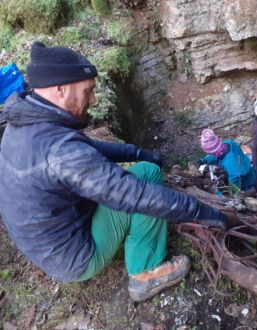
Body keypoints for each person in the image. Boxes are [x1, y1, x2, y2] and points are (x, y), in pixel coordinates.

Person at [0, 42, 229, 302]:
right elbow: (134, 196)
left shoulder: (25, 120)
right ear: (60, 90)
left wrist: (135, 153)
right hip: (74, 258)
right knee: (147, 179)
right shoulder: (60, 152)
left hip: (43, 242)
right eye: (88, 91)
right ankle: (146, 273)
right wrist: (201, 211)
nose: (94, 99)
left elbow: (85, 147)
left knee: (143, 167)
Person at [197, 128, 257, 193]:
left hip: (247, 184)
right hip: (249, 170)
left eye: (209, 153)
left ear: (212, 152)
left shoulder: (231, 168)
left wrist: (217, 195)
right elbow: (214, 154)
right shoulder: (229, 143)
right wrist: (202, 160)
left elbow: (231, 189)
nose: (208, 154)